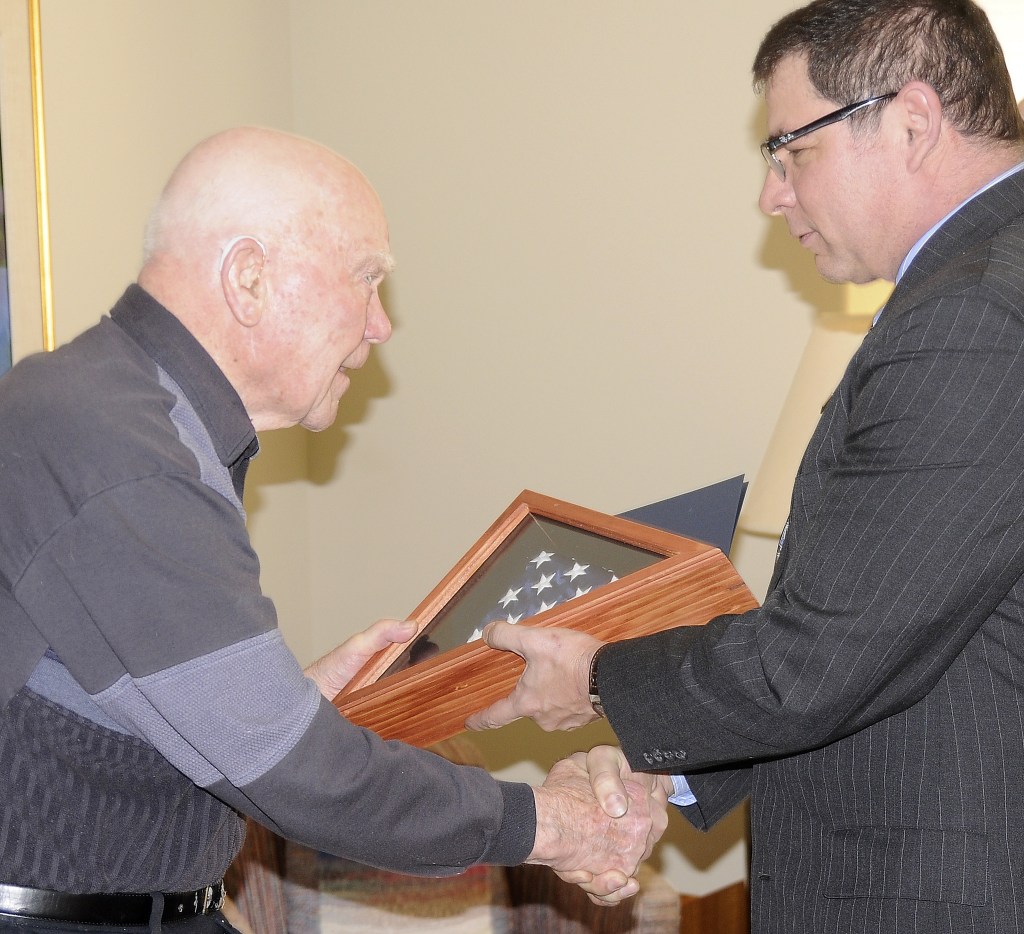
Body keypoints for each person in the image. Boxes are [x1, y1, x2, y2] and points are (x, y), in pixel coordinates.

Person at [0, 127, 669, 933]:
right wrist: (559, 825)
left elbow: (135, 719)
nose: (381, 325)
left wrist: (293, 704)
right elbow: (294, 774)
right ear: (248, 279)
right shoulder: (121, 448)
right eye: (366, 280)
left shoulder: (124, 416)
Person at [467, 1, 1024, 931]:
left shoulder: (974, 320)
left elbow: (822, 661)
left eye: (791, 149)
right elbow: (895, 645)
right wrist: (669, 774)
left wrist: (597, 676)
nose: (772, 194)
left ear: (913, 122)